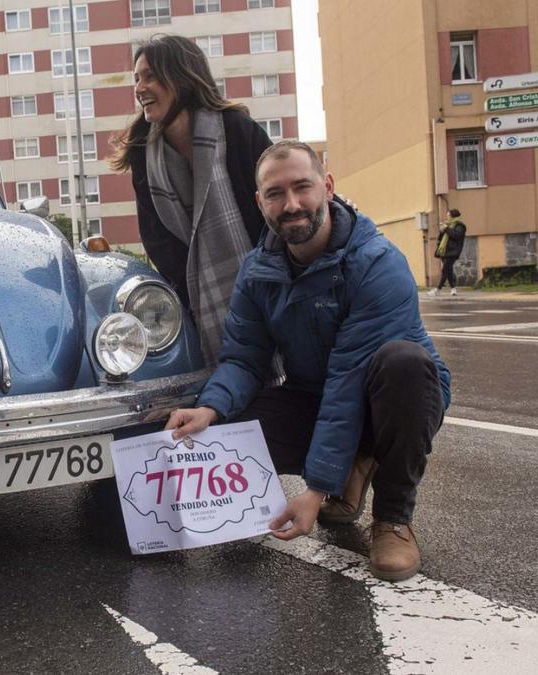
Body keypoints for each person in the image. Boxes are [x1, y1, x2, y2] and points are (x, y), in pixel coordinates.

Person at [164, 140, 451, 582]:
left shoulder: (378, 263)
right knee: (224, 428)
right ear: (260, 203)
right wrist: (210, 408)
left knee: (404, 365)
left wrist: (314, 490)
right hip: (314, 394)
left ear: (328, 187)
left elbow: (348, 379)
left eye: (302, 187)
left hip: (389, 400)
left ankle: (392, 516)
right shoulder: (258, 270)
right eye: (276, 194)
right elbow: (244, 358)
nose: (292, 204)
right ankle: (351, 466)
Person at [110, 34, 273, 363]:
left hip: (267, 292)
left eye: (150, 76)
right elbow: (158, 241)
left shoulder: (238, 130)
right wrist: (188, 299)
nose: (140, 88)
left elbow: (273, 215)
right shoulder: (144, 155)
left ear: (181, 77)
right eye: (137, 79)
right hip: (199, 306)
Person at [429, 208, 466, 296]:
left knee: (445, 270)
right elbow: (442, 237)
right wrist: (442, 231)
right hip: (444, 251)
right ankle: (453, 289)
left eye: (448, 215)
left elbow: (456, 236)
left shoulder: (460, 226)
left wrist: (446, 228)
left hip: (452, 251)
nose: (447, 217)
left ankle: (438, 289)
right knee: (448, 270)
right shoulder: (448, 225)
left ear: (453, 216)